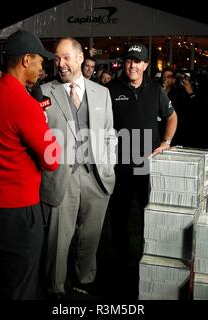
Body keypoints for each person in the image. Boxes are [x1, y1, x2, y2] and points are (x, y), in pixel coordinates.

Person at [0, 29, 60, 300]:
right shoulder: (24, 102)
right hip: (18, 208)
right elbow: (52, 160)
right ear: (26, 60)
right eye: (39, 61)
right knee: (21, 284)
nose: (42, 67)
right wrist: (45, 124)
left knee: (4, 275)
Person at [40, 37, 116, 299]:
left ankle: (85, 278)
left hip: (96, 177)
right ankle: (55, 286)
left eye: (66, 57)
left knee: (91, 235)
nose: (60, 64)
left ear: (80, 57)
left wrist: (109, 163)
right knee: (58, 239)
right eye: (57, 58)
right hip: (62, 178)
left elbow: (109, 133)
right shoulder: (44, 92)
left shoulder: (101, 93)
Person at [106, 43, 177, 296]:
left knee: (150, 215)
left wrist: (166, 142)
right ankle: (124, 261)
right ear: (123, 64)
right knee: (119, 217)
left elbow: (172, 116)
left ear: (146, 65)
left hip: (148, 166)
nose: (133, 65)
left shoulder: (156, 90)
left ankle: (149, 257)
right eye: (128, 61)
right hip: (121, 166)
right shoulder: (111, 90)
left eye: (138, 61)